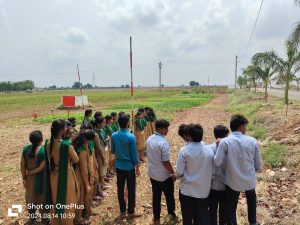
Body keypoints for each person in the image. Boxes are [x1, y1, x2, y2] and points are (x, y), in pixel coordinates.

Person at [214, 114, 262, 225]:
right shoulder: (252, 141)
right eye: (245, 126)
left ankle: (232, 222)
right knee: (251, 198)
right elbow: (259, 165)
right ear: (241, 126)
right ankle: (253, 222)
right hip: (249, 180)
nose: (245, 128)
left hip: (233, 181)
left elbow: (217, 162)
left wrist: (218, 146)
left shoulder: (225, 142)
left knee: (231, 203)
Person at [176, 124, 214, 225]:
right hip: (203, 191)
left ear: (190, 136)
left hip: (187, 191)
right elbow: (212, 172)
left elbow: (179, 172)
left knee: (187, 218)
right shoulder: (209, 151)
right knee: (202, 216)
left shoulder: (184, 150)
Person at [45, 119, 79, 225]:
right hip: (66, 175)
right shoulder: (66, 145)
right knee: (68, 199)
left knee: (56, 198)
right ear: (62, 130)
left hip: (53, 174)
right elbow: (76, 159)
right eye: (65, 127)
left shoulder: (48, 143)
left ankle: (55, 221)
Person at [146, 119, 177, 224]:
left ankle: (156, 219)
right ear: (159, 129)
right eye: (165, 128)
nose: (167, 130)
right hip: (164, 176)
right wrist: (173, 174)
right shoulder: (163, 142)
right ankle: (172, 216)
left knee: (156, 197)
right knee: (169, 197)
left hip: (153, 174)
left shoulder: (149, 139)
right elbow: (166, 162)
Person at [111, 114, 141, 219]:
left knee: (120, 189)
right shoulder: (131, 136)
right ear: (128, 123)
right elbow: (134, 154)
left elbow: (113, 151)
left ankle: (122, 210)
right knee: (131, 188)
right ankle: (131, 211)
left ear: (118, 123)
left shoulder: (114, 135)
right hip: (129, 167)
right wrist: (137, 167)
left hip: (119, 166)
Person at [20, 130, 49, 225]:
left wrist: (24, 177)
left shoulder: (26, 149)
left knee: (30, 198)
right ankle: (44, 220)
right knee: (42, 200)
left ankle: (32, 218)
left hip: (29, 180)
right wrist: (31, 172)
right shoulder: (43, 151)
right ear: (41, 139)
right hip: (41, 179)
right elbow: (41, 167)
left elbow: (22, 165)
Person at [208, 125, 229, 225]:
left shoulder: (208, 149)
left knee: (212, 209)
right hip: (225, 185)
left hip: (212, 185)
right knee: (224, 211)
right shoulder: (230, 149)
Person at [73, 130, 95, 225]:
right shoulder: (82, 151)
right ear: (87, 140)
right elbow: (83, 170)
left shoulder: (80, 147)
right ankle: (77, 219)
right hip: (80, 177)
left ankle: (84, 212)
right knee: (80, 198)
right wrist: (87, 184)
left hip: (80, 175)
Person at [93, 117, 109, 197]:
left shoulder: (101, 131)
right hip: (99, 154)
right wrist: (103, 158)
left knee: (103, 170)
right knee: (100, 172)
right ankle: (99, 190)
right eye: (103, 123)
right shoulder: (96, 134)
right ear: (98, 124)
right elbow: (98, 148)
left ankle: (102, 185)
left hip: (103, 151)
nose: (104, 124)